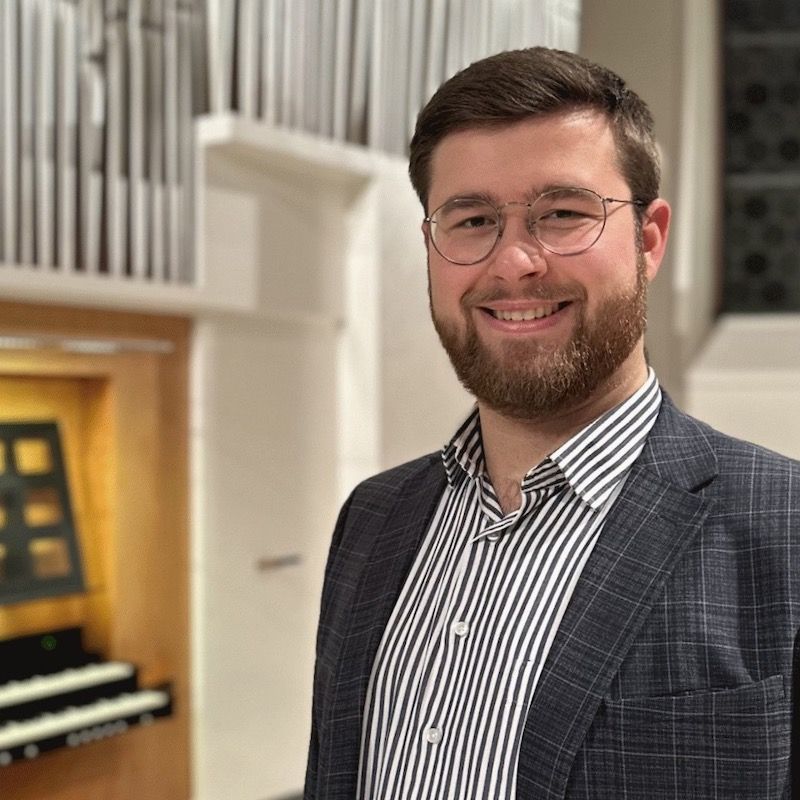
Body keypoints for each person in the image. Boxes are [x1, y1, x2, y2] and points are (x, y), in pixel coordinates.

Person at [304, 47, 800, 799]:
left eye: (563, 214)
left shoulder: (785, 530)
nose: (515, 262)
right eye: (472, 220)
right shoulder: (372, 519)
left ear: (648, 239)